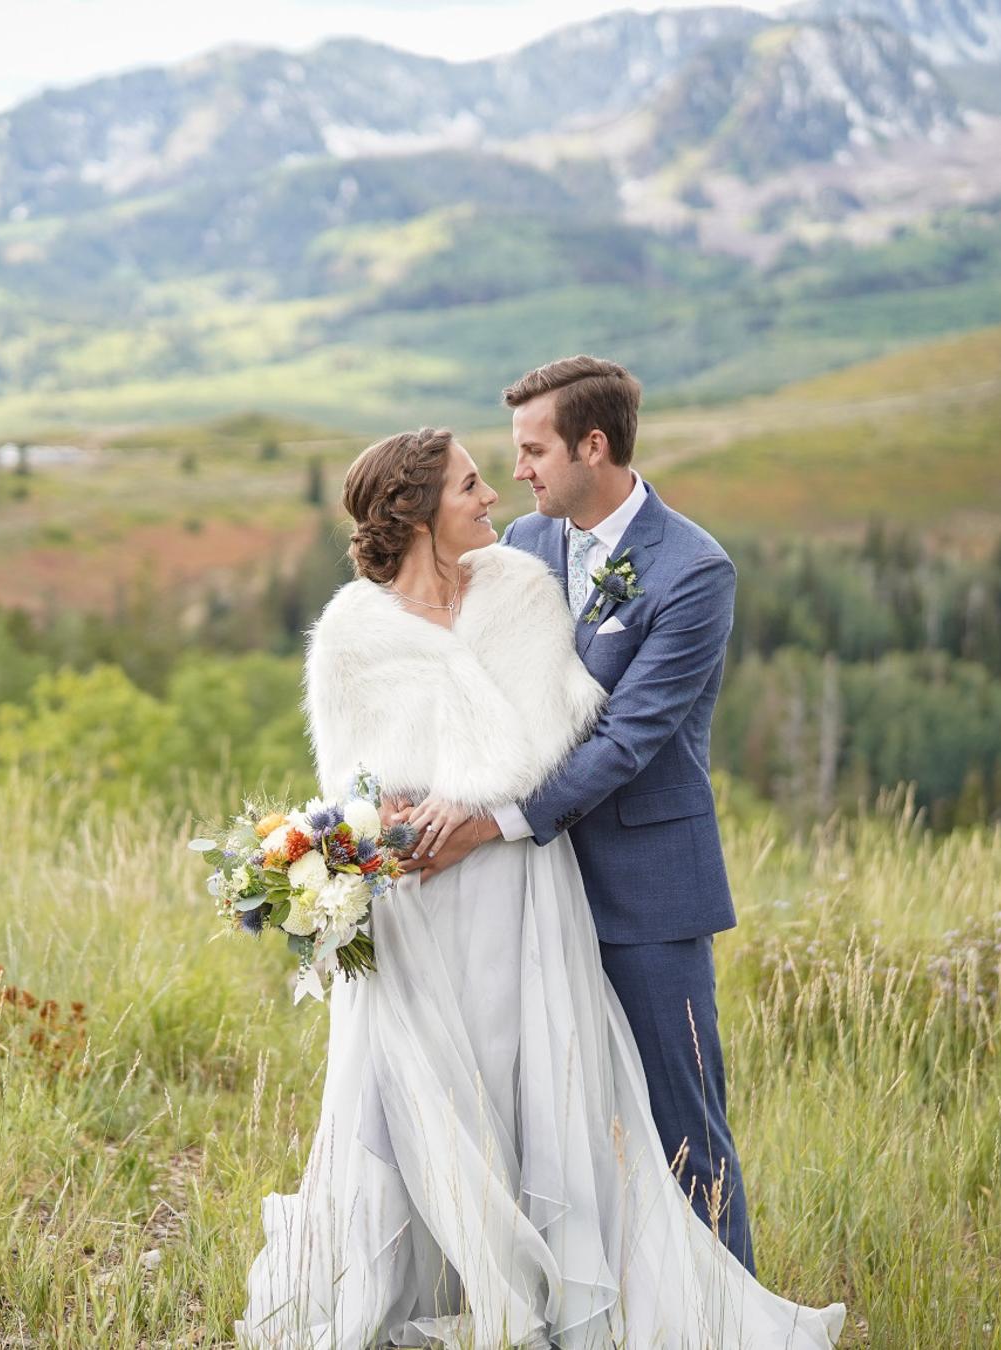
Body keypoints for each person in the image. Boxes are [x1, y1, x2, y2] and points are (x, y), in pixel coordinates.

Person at [233, 417, 842, 1348]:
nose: (496, 496)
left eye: (502, 471)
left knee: (546, 1096)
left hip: (521, 889)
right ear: (418, 510)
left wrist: (477, 807)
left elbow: (561, 736)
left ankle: (568, 1300)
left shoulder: (522, 587)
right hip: (421, 906)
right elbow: (348, 783)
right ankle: (435, 1290)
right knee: (423, 1107)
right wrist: (379, 825)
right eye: (471, 484)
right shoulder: (352, 635)